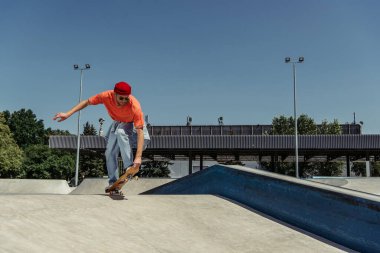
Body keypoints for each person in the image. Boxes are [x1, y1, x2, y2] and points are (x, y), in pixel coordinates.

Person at [53, 81, 150, 189]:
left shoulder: (134, 106)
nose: (123, 101)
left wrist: (138, 157)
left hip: (134, 127)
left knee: (121, 132)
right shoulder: (105, 96)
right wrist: (68, 114)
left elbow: (140, 132)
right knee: (109, 152)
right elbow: (86, 102)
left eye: (126, 98)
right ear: (114, 94)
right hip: (118, 122)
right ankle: (113, 182)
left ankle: (129, 167)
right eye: (121, 98)